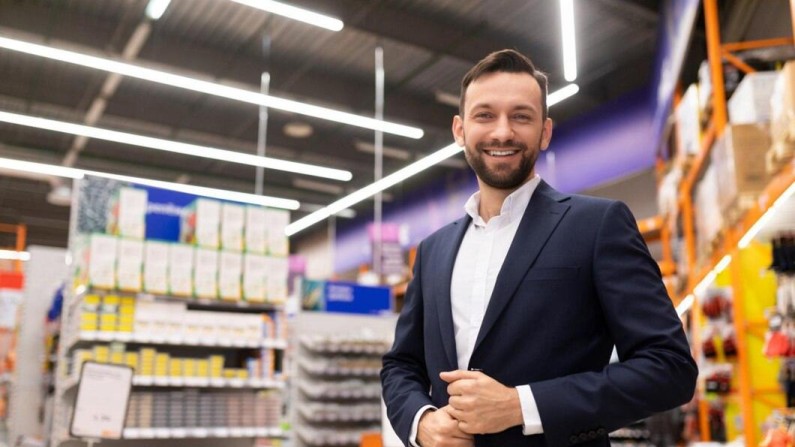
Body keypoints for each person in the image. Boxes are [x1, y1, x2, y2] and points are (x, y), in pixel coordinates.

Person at [380, 49, 698, 447]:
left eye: (521, 116)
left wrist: (521, 406)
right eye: (485, 115)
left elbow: (669, 369)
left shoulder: (597, 226)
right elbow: (401, 364)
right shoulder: (433, 252)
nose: (502, 132)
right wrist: (422, 422)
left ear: (545, 131)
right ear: (459, 130)